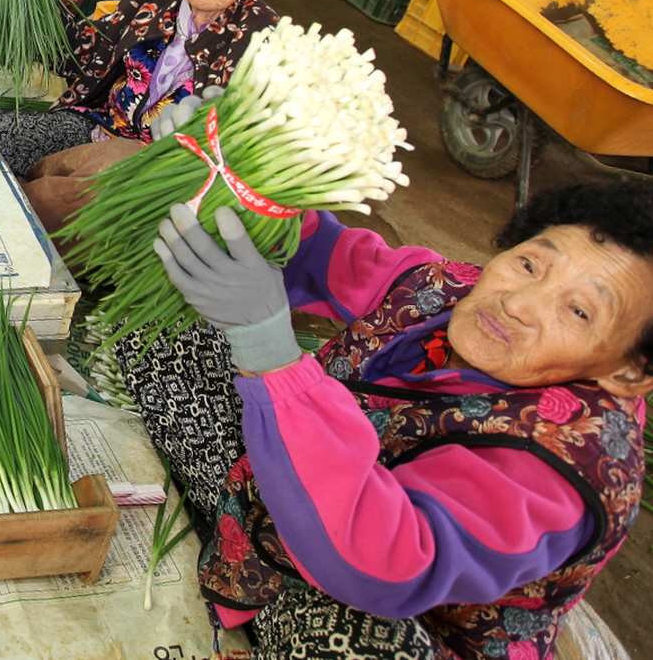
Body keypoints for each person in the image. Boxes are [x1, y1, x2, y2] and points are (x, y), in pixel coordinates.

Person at [127, 180, 652, 660]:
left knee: (366, 647)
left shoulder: (564, 467)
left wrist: (269, 351)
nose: (518, 303)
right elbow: (316, 252)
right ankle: (236, 541)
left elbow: (383, 563)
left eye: (578, 312)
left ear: (629, 373)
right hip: (284, 506)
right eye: (531, 264)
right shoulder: (441, 290)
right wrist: (230, 183)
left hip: (379, 599)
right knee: (167, 330)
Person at [0, 0, 287, 235]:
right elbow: (81, 54)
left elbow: (246, 152)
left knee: (60, 200)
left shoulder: (262, 39)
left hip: (157, 173)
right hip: (96, 127)